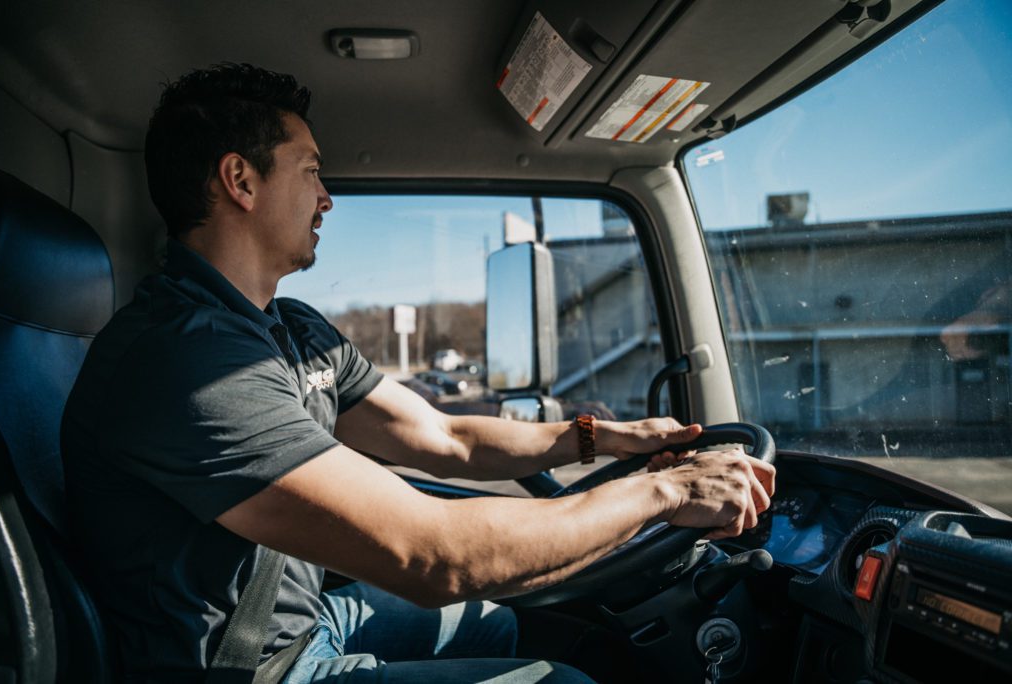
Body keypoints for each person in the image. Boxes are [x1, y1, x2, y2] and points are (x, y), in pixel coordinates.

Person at [61, 63, 775, 683]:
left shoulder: (291, 329)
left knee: (496, 621)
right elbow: (431, 557)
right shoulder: (185, 361)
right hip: (242, 671)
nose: (327, 197)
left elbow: (445, 436)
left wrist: (606, 439)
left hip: (308, 625)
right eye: (310, 170)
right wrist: (667, 490)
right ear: (240, 180)